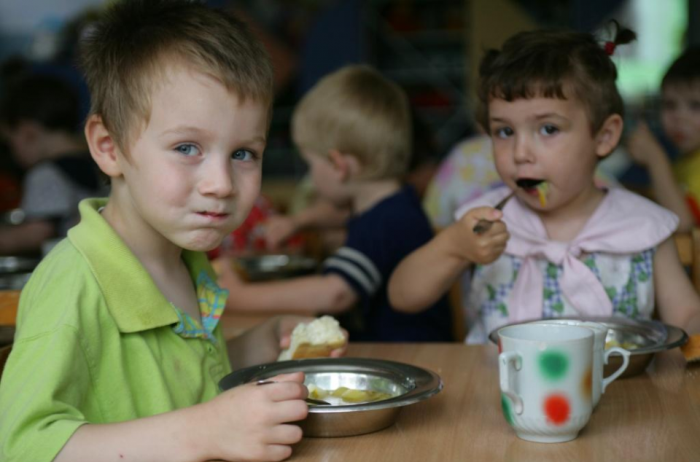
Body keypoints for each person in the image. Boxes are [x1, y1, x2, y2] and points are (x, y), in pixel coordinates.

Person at [0, 2, 346, 461]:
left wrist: (260, 344)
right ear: (109, 148)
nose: (221, 184)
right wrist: (203, 433)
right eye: (187, 147)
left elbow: (176, 380)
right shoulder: (74, 287)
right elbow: (21, 446)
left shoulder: (186, 261)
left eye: (244, 153)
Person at [389, 24, 700, 344]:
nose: (521, 154)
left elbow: (687, 314)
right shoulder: (483, 222)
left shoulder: (642, 226)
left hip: (621, 391)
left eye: (548, 129)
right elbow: (402, 296)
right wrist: (453, 246)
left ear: (604, 137)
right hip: (495, 389)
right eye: (505, 132)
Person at [218, 65, 453, 342]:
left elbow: (336, 292)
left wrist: (239, 297)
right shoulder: (393, 205)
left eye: (311, 164)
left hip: (408, 356)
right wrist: (297, 222)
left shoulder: (384, 223)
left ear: (339, 166)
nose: (311, 175)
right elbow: (339, 215)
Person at [0, 73, 104, 255]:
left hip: (71, 266)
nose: (13, 153)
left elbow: (36, 233)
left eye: (10, 143)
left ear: (28, 133)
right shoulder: (101, 161)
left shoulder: (45, 175)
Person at [627, 47, 700, 232]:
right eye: (670, 105)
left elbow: (683, 223)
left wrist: (655, 159)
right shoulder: (684, 162)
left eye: (695, 106)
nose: (680, 118)